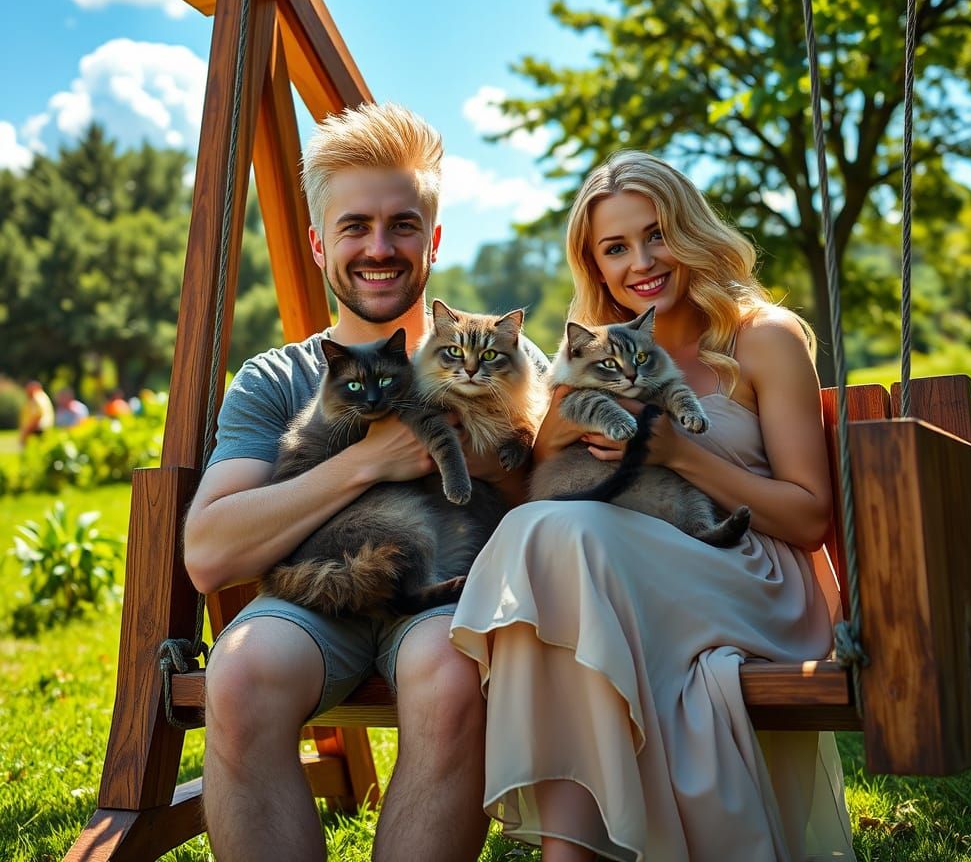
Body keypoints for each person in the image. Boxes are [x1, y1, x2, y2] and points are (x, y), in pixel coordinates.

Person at [451, 150, 854, 861]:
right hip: (621, 576)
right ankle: (570, 848)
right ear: (596, 266)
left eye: (656, 233)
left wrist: (680, 454)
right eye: (616, 247)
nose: (641, 260)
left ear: (689, 230)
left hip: (752, 571)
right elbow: (551, 481)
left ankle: (575, 853)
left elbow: (809, 517)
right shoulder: (595, 356)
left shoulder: (761, 337)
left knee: (562, 539)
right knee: (555, 534)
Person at [183, 103, 522, 862]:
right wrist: (371, 459)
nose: (380, 247)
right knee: (235, 678)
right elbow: (208, 550)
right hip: (315, 600)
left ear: (432, 242)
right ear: (317, 244)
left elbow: (540, 496)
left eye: (403, 225)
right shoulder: (279, 377)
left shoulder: (479, 360)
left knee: (452, 674)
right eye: (355, 226)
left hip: (441, 593)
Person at [18, 380, 55, 446]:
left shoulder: (36, 398)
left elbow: (36, 417)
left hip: (36, 429)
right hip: (43, 428)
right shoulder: (43, 396)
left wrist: (26, 432)